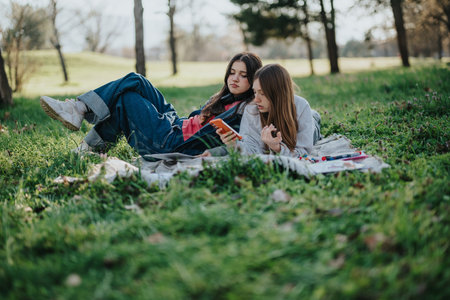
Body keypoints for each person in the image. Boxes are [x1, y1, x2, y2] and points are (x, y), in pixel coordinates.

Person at [40, 52, 262, 156]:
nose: (234, 78)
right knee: (136, 80)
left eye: (242, 75)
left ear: (253, 80)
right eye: (232, 72)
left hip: (171, 142)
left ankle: (82, 125)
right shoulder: (224, 98)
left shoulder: (247, 111)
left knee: (125, 98)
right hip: (176, 124)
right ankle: (79, 111)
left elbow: (250, 144)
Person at [205, 63, 321, 158]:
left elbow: (304, 152)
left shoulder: (301, 106)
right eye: (255, 92)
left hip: (309, 120)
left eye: (263, 94)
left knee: (314, 118)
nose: (256, 99)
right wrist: (233, 144)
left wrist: (277, 148)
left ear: (278, 94)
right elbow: (252, 149)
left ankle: (315, 116)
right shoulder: (252, 108)